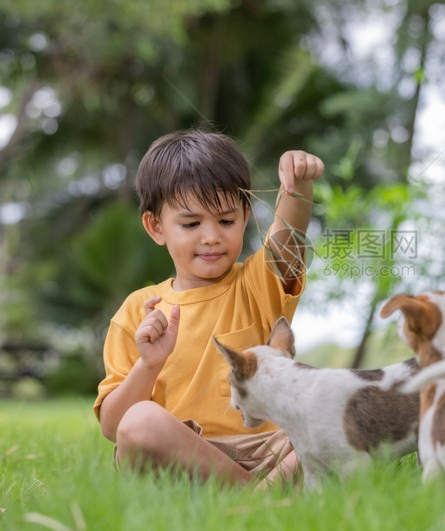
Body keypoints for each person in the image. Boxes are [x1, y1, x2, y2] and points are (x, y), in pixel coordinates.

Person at [93, 128, 324, 487]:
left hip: (272, 453)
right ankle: (259, 499)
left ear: (245, 216)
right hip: (183, 459)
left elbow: (289, 233)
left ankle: (253, 498)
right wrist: (148, 364)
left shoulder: (256, 283)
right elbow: (114, 426)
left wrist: (298, 185)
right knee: (140, 423)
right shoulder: (137, 310)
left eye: (226, 221)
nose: (212, 236)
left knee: (338, 410)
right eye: (191, 223)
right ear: (156, 226)